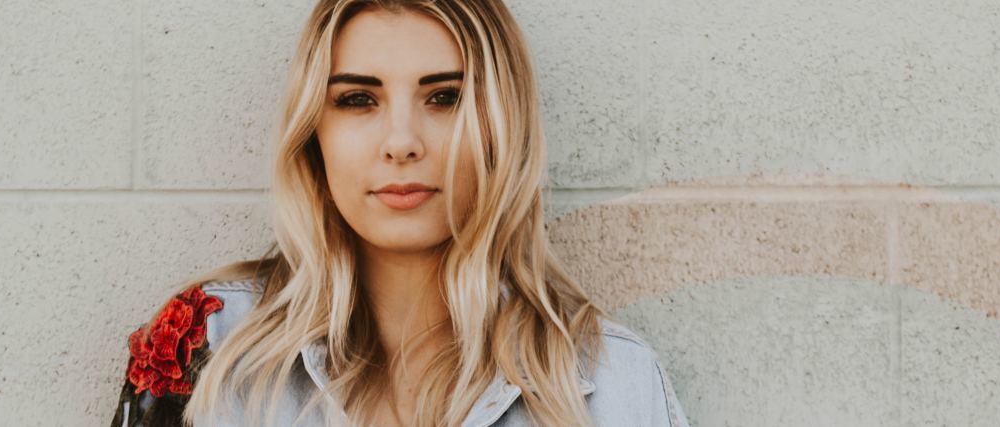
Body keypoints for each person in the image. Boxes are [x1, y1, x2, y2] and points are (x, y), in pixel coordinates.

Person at [109, 0, 689, 426]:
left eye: (445, 97)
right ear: (316, 135)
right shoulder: (209, 347)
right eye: (358, 99)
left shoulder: (613, 386)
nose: (402, 142)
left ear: (500, 130)